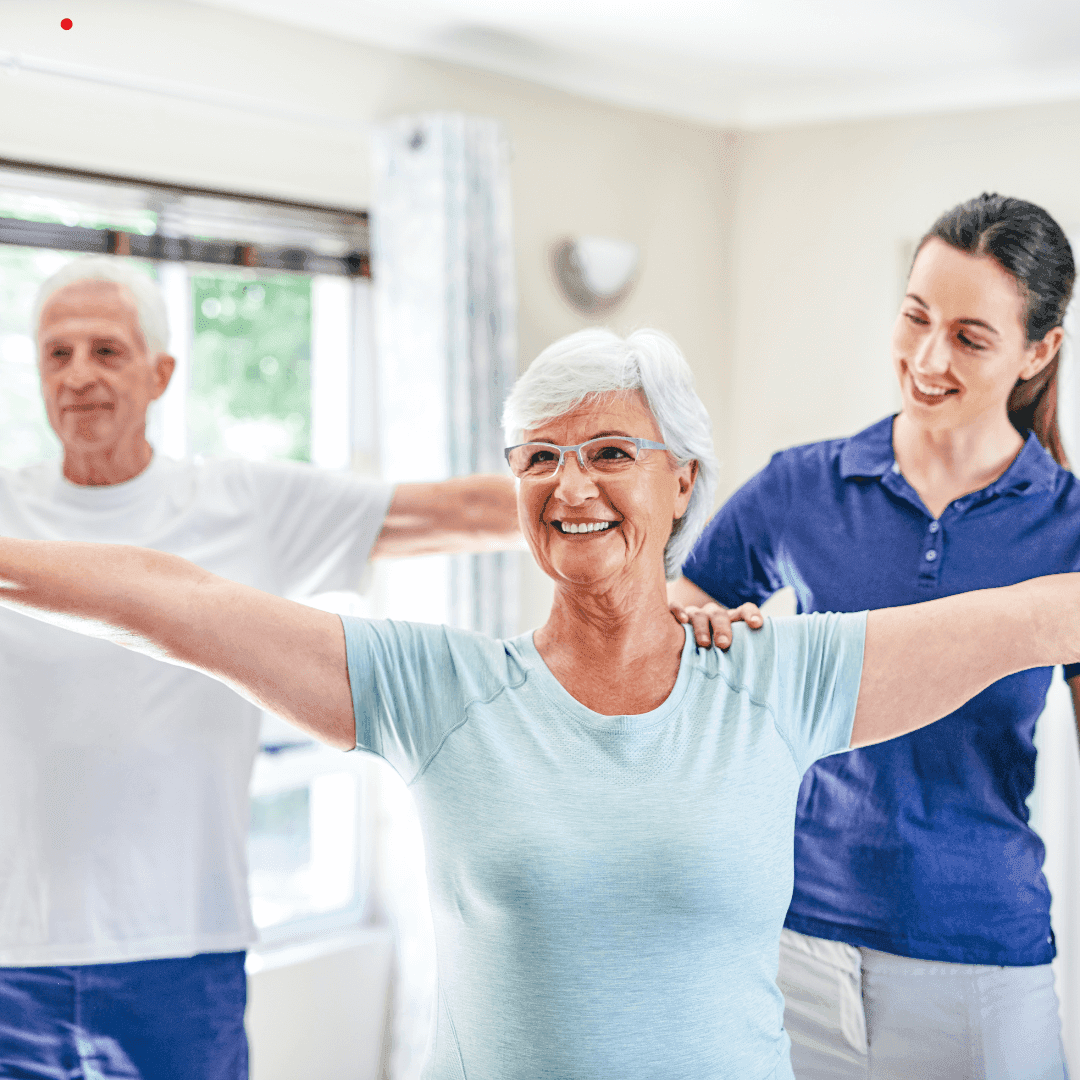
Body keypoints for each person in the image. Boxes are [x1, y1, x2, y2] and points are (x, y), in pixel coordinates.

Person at [1, 326, 1080, 1080]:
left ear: (683, 481)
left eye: (610, 453)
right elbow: (173, 600)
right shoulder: (437, 690)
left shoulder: (779, 675)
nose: (570, 487)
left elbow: (1034, 614)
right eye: (538, 459)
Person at [0, 257, 521, 1080]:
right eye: (57, 355)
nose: (79, 376)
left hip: (184, 947)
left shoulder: (242, 503)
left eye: (106, 351)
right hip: (12, 955)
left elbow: (453, 511)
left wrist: (643, 523)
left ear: (161, 373)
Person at [670, 193, 1076, 1079]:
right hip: (791, 943)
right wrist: (694, 631)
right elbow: (666, 629)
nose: (927, 359)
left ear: (1038, 352)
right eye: (916, 316)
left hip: (982, 960)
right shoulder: (802, 486)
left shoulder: (1069, 528)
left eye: (970, 337)